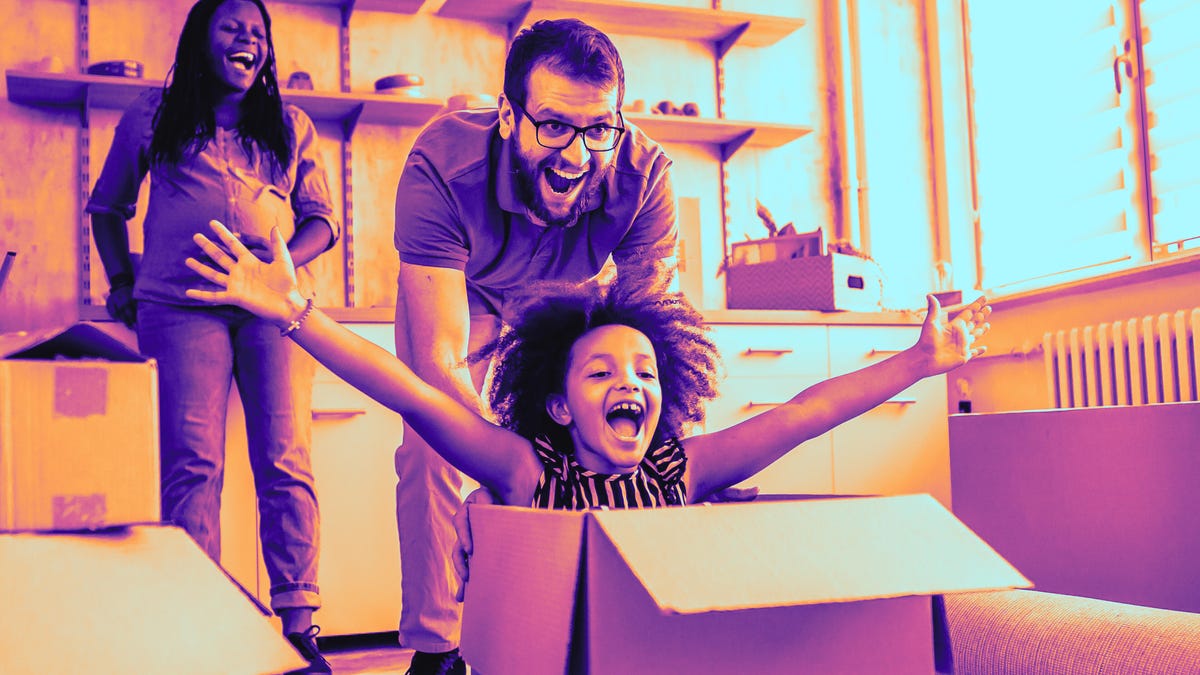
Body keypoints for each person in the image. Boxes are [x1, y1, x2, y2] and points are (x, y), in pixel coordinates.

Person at [183, 216, 992, 606]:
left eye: (643, 368)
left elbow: (806, 412)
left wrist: (919, 360)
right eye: (600, 371)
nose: (629, 381)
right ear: (559, 407)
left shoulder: (683, 470)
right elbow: (411, 392)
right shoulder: (526, 471)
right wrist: (297, 315)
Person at [390, 17, 678, 673]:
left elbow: (654, 342)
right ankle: (438, 650)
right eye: (552, 126)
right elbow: (437, 360)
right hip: (464, 289)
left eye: (598, 129)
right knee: (433, 444)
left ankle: (620, 620)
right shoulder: (440, 164)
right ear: (507, 117)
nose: (576, 154)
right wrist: (505, 461)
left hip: (563, 300)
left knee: (618, 439)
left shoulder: (645, 177)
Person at [86, 1, 338, 672]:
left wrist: (277, 260)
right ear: (201, 38)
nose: (248, 41)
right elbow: (107, 208)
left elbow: (322, 221)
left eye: (259, 34)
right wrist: (120, 283)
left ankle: (299, 624)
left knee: (286, 458)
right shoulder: (152, 113)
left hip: (271, 310)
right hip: (180, 306)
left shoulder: (290, 124)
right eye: (233, 27)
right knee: (192, 462)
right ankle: (197, 619)